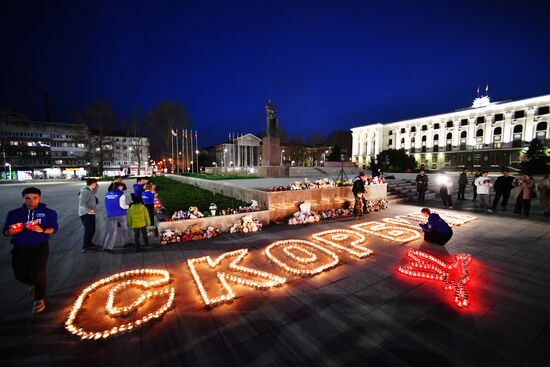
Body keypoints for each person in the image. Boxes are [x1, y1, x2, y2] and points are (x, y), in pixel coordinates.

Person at [2, 187, 59, 313]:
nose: (31, 201)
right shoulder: (14, 214)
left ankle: (39, 299)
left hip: (40, 247)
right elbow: (5, 231)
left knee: (39, 273)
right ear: (23, 198)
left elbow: (54, 229)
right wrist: (10, 231)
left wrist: (42, 230)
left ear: (40, 197)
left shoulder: (48, 212)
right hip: (20, 247)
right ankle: (33, 284)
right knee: (20, 274)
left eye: (35, 198)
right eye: (28, 198)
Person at [103, 182, 131, 252]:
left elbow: (106, 204)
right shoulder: (121, 194)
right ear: (119, 187)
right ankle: (125, 243)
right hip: (120, 214)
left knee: (112, 231)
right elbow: (122, 205)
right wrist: (128, 206)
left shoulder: (108, 194)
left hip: (110, 214)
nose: (122, 188)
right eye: (122, 187)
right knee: (124, 229)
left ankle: (107, 247)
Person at [78, 178, 99, 253]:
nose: (96, 185)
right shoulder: (86, 191)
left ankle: (89, 244)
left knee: (92, 229)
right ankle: (85, 247)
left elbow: (95, 190)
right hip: (86, 214)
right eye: (95, 184)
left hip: (90, 213)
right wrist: (89, 211)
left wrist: (96, 185)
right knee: (89, 230)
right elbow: (81, 203)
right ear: (93, 184)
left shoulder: (90, 190)